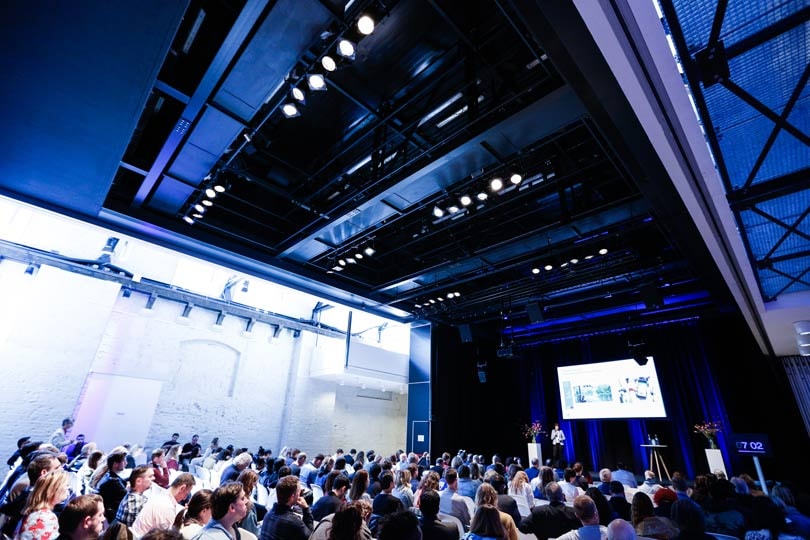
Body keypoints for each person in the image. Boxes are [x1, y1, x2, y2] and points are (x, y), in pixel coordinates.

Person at [130, 473, 196, 537]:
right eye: (186, 494)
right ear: (182, 488)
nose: (184, 498)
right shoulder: (167, 507)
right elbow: (168, 537)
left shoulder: (160, 496)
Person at [16, 469, 71, 540]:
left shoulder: (32, 511)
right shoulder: (47, 517)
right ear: (52, 491)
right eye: (66, 485)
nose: (68, 488)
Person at [258, 474, 313, 540]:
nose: (300, 494)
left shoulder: (268, 515)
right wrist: (306, 508)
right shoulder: (294, 521)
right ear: (292, 496)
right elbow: (311, 537)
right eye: (299, 492)